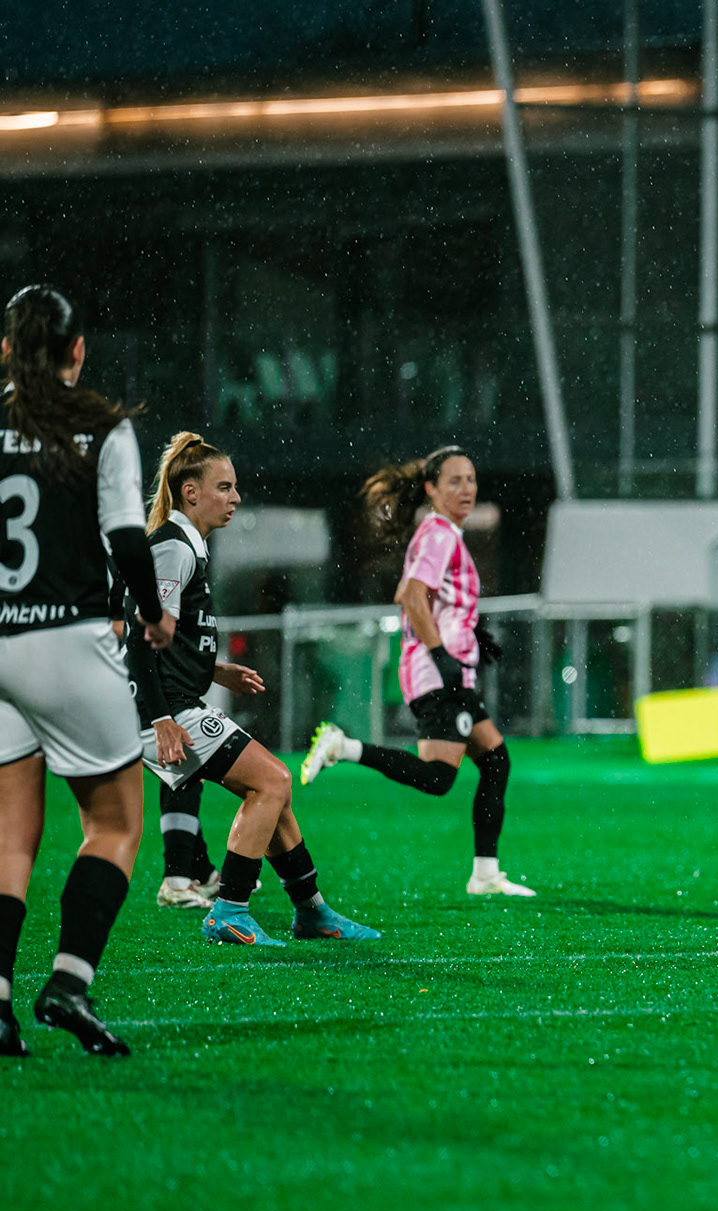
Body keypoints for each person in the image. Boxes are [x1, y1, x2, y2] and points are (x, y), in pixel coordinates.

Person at [0, 284, 175, 1057]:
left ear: (6, 350)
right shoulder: (100, 426)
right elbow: (127, 539)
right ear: (77, 350)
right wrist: (153, 613)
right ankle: (69, 982)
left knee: (9, 839)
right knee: (114, 824)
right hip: (66, 639)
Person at [124, 433, 377, 947]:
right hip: (167, 711)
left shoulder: (183, 544)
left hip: (177, 701)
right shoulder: (173, 547)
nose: (236, 498)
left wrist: (214, 670)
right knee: (274, 781)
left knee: (274, 792)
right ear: (190, 493)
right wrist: (160, 718)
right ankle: (230, 909)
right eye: (225, 487)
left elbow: (167, 638)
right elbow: (139, 639)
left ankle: (313, 912)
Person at [299, 447, 528, 896]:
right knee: (438, 778)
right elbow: (411, 594)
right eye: (454, 481)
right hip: (437, 673)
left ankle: (485, 874)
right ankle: (343, 747)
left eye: (471, 480)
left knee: (496, 761)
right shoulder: (440, 533)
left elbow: (428, 597)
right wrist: (442, 652)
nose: (466, 489)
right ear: (431, 489)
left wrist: (471, 635)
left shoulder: (444, 534)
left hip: (450, 669)